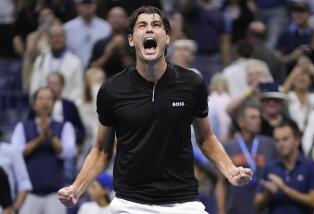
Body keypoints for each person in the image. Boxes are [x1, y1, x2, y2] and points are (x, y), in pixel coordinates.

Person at [58, 7, 253, 214]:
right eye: (142, 25)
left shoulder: (192, 83)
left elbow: (205, 139)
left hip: (183, 202)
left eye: (156, 25)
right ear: (132, 40)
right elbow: (101, 150)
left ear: (167, 37)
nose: (150, 30)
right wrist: (76, 188)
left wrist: (230, 170)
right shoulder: (112, 89)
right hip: (130, 203)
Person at [11, 87, 76, 214]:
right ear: (34, 104)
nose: (45, 102)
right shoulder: (22, 127)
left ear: (54, 103)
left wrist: (50, 135)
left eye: (48, 99)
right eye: (41, 99)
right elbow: (17, 153)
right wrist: (40, 139)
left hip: (55, 194)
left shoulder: (65, 126)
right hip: (29, 194)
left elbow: (69, 152)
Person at [216, 103, 278, 214]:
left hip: (263, 210)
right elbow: (221, 183)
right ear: (241, 121)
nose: (258, 120)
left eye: (259, 117)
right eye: (253, 117)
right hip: (235, 210)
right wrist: (221, 211)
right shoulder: (228, 147)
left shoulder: (270, 144)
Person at [255, 120, 314, 214]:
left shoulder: (311, 166)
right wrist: (268, 193)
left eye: (285, 139)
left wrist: (285, 189)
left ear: (297, 140)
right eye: (277, 140)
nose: (280, 144)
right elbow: (257, 204)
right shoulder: (269, 167)